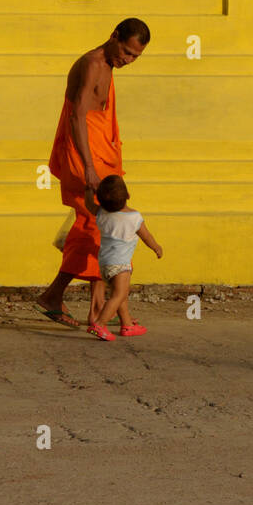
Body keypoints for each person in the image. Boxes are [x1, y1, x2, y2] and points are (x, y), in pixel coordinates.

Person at [36, 19, 150, 329]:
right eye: (126, 52)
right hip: (83, 154)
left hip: (99, 151)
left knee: (101, 227)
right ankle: (53, 295)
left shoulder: (109, 64)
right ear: (114, 37)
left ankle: (96, 307)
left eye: (134, 58)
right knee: (94, 226)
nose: (126, 61)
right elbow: (77, 119)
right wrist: (88, 167)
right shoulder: (92, 64)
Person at [83, 174, 162, 341]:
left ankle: (127, 325)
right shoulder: (134, 217)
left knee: (120, 295)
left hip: (104, 264)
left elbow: (88, 204)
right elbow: (146, 236)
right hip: (121, 266)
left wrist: (88, 189)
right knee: (119, 295)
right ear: (128, 196)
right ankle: (100, 324)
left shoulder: (101, 213)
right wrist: (156, 248)